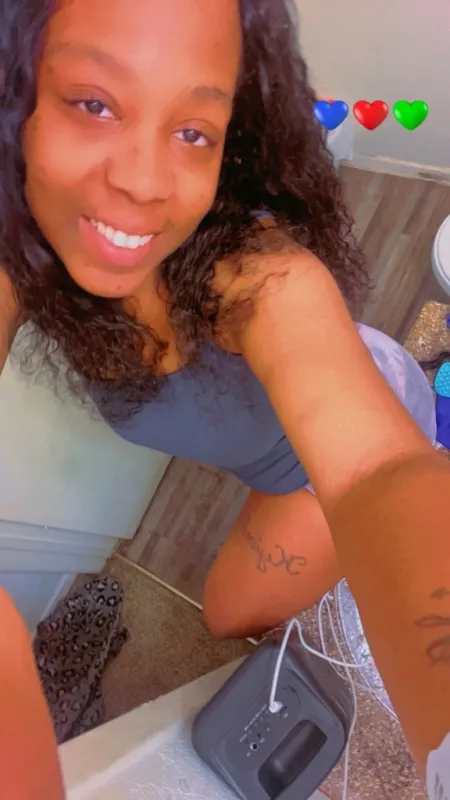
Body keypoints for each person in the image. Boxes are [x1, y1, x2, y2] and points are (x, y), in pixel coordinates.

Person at [0, 0, 449, 796]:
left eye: (192, 132)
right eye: (94, 103)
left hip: (330, 440)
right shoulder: (30, 252)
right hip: (261, 449)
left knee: (226, 618)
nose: (143, 182)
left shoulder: (258, 279)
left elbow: (374, 469)